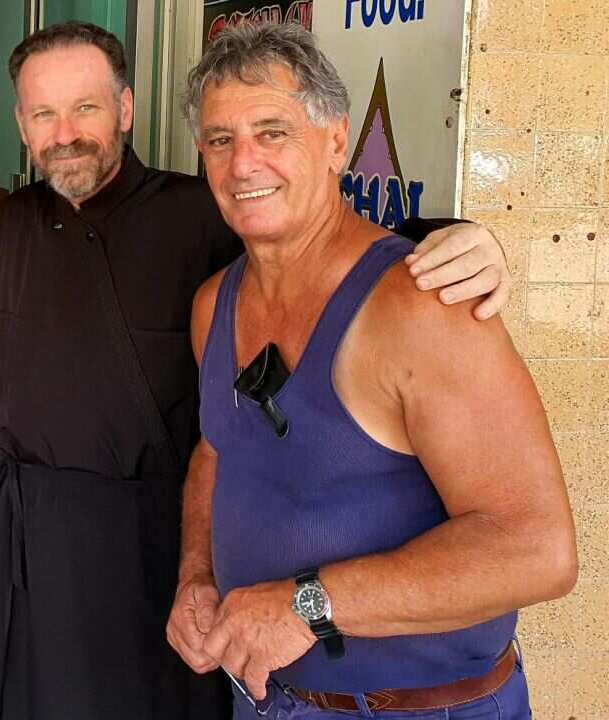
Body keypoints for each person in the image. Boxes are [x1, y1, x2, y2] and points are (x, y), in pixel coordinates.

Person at [0, 21, 516, 720]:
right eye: (43, 113)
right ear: (22, 124)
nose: (65, 132)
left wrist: (461, 238)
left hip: (148, 540)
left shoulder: (203, 213)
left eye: (86, 108)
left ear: (125, 110)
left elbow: (328, 241)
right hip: (31, 535)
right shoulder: (6, 224)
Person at [166, 22, 576, 719]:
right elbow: (216, 449)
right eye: (220, 140)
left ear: (335, 141)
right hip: (268, 700)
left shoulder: (421, 307)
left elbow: (537, 550)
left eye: (273, 132)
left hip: (419, 708)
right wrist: (197, 577)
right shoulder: (215, 303)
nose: (243, 165)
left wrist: (305, 606)